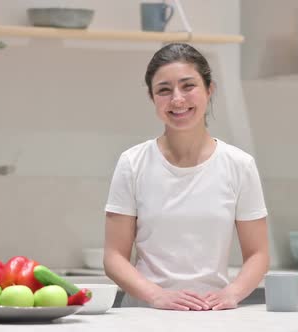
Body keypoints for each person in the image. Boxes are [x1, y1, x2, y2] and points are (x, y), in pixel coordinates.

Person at [103, 43, 269, 311]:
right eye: (164, 90)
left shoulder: (239, 165)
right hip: (145, 315)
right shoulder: (132, 163)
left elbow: (258, 254)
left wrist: (232, 294)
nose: (177, 99)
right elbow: (113, 257)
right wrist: (157, 295)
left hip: (211, 316)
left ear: (209, 89)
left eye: (188, 86)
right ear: (152, 97)